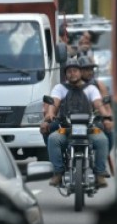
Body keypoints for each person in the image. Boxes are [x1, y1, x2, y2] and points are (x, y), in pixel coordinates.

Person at [41, 57, 112, 188]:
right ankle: (58, 172)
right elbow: (54, 103)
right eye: (69, 71)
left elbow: (99, 104)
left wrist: (106, 117)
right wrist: (50, 114)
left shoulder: (91, 89)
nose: (72, 73)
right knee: (53, 139)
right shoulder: (60, 88)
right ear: (65, 74)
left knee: (102, 140)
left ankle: (100, 173)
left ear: (80, 72)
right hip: (66, 130)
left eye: (75, 70)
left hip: (88, 129)